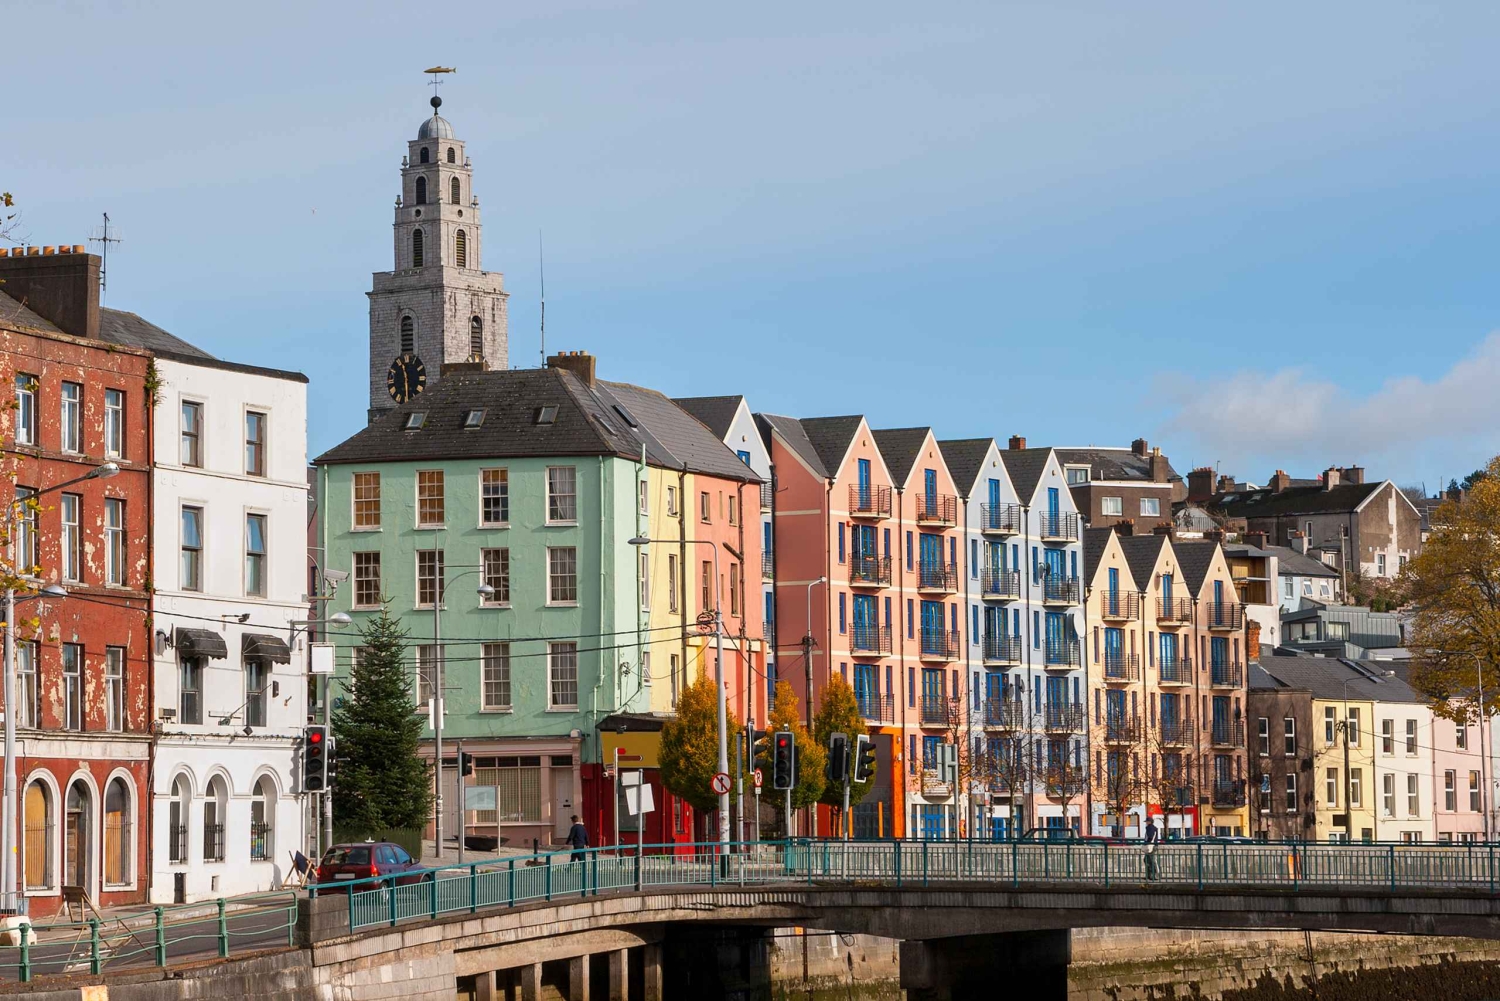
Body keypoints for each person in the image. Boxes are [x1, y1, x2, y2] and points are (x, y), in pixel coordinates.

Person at [1143, 816, 1159, 881]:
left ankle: (1154, 875)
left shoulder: (1150, 828)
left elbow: (1150, 836)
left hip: (1151, 846)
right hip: (1153, 845)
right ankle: (1150, 875)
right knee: (1148, 860)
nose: (1146, 823)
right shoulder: (1152, 827)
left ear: (1149, 822)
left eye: (1147, 821)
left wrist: (1146, 842)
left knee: (1150, 860)